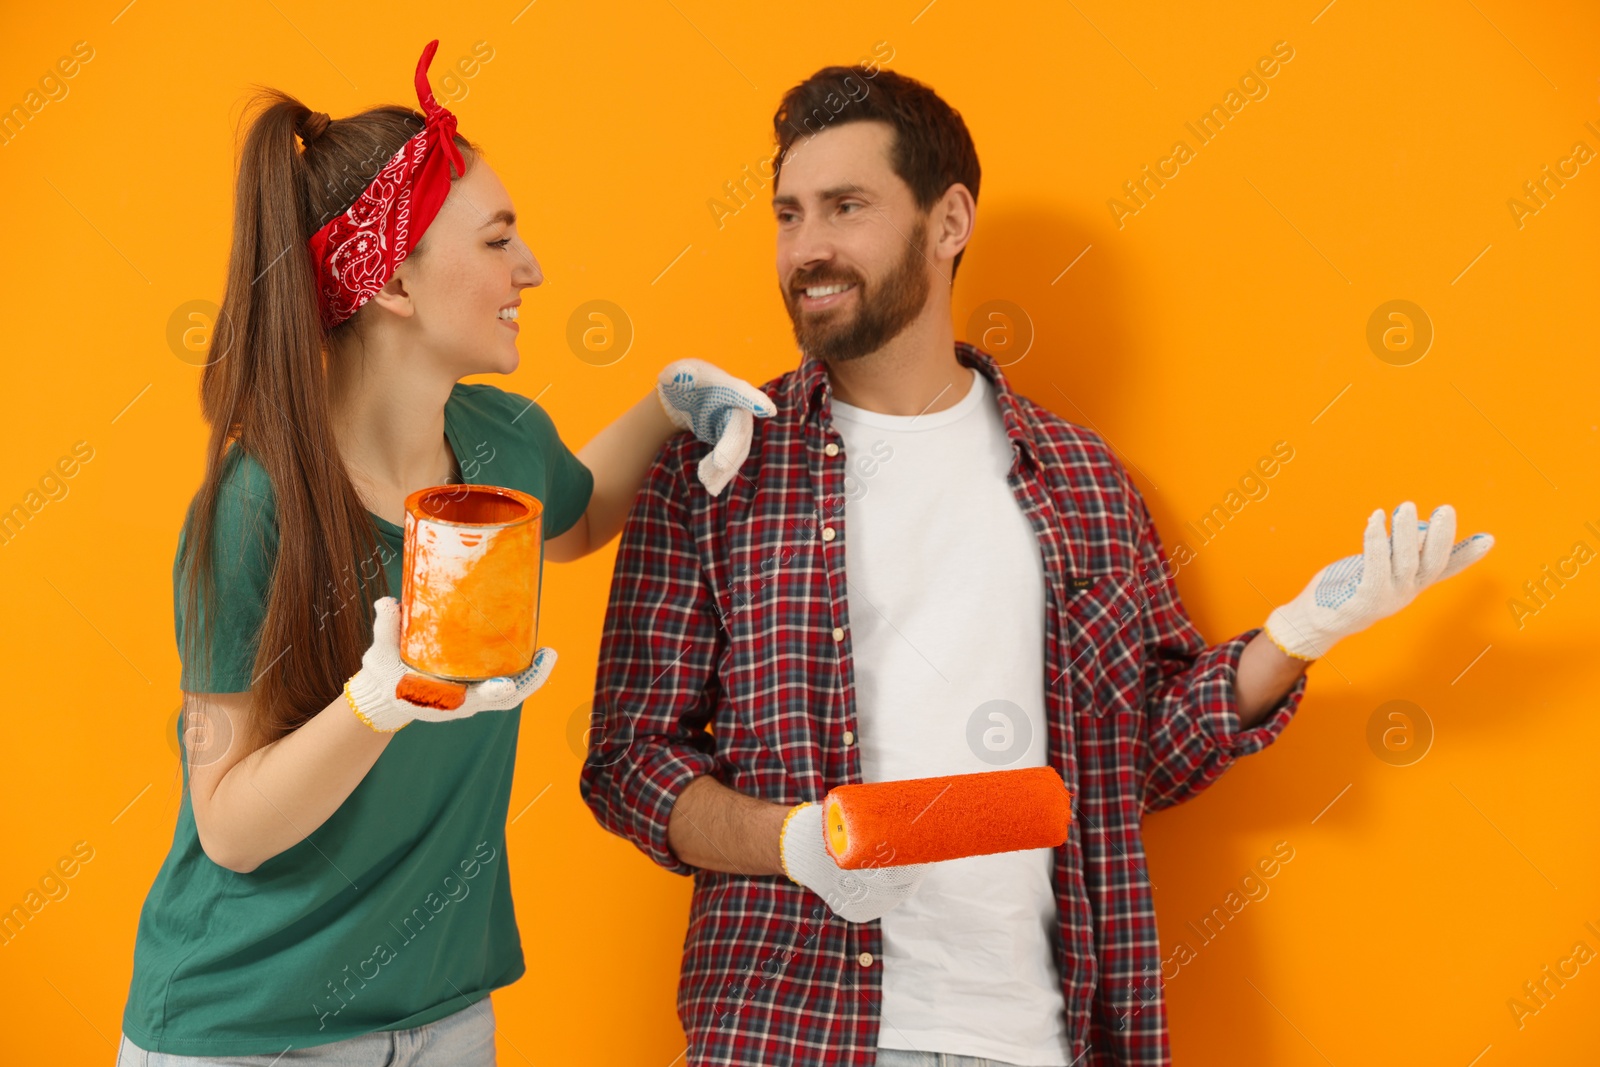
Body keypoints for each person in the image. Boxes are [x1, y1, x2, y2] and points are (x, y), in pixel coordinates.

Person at [578, 65, 1495, 1067]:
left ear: (948, 219)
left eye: (846, 207)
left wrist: (1299, 633)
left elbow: (1130, 756)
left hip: (1033, 1033)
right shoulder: (721, 466)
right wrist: (797, 840)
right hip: (788, 1028)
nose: (809, 248)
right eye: (789, 214)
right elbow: (629, 764)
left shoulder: (1082, 481)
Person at [116, 40, 772, 1066]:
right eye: (500, 238)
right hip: (250, 1026)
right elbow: (231, 824)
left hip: (445, 1015)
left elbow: (581, 515)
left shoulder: (503, 439)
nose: (533, 268)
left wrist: (665, 404)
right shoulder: (254, 507)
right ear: (393, 286)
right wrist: (381, 700)